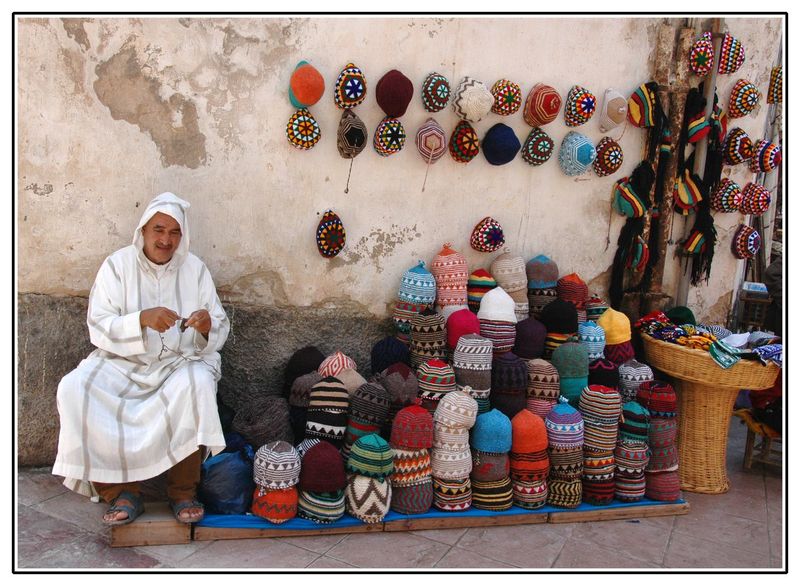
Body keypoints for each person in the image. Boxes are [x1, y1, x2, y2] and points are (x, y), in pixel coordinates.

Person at [52, 192, 229, 525]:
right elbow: (98, 324)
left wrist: (206, 326)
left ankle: (182, 491)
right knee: (75, 388)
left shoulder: (195, 269)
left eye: (174, 232)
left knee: (198, 383)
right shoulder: (117, 266)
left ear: (182, 236)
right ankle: (121, 492)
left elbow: (218, 324)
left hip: (178, 363)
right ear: (144, 231)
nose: (165, 240)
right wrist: (141, 320)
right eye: (159, 230)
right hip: (123, 364)